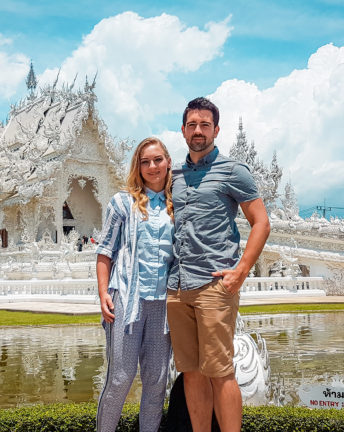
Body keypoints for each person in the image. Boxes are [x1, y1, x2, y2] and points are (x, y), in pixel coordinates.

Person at [167, 97, 270, 432]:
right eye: (192, 125)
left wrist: (241, 271)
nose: (198, 131)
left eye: (205, 125)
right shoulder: (175, 175)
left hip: (213, 284)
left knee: (220, 371)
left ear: (216, 130)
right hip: (177, 286)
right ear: (183, 130)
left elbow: (261, 222)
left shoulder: (232, 171)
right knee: (191, 372)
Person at [95, 137, 175, 432]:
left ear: (168, 163)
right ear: (138, 167)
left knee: (156, 382)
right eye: (145, 162)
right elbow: (105, 251)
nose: (152, 167)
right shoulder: (122, 204)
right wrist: (103, 293)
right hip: (127, 300)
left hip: (162, 306)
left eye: (158, 160)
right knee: (120, 378)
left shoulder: (176, 206)